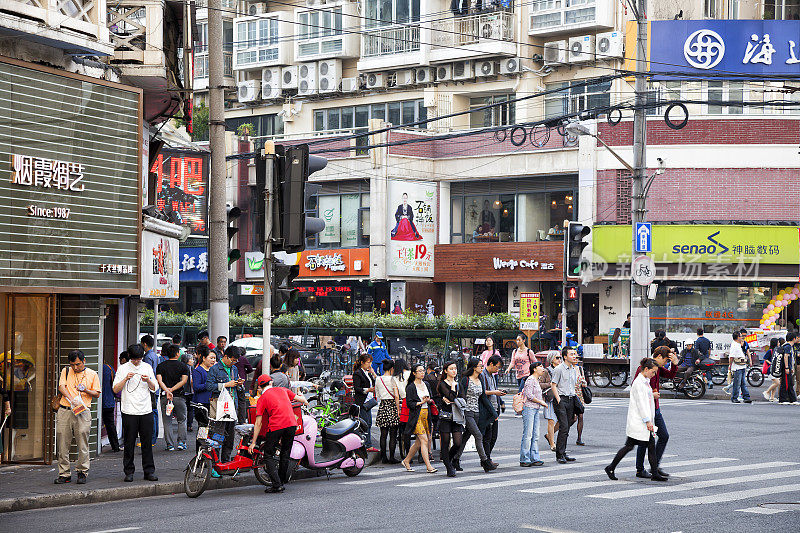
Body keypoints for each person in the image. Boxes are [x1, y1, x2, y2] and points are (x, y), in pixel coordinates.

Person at [604, 358, 667, 482]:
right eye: (653, 372)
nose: (654, 375)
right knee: (632, 446)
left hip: (641, 421)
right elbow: (641, 404)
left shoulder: (644, 381)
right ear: (646, 369)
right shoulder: (639, 383)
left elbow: (646, 400)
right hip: (639, 422)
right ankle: (611, 467)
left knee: (643, 446)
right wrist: (648, 421)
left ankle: (653, 473)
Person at [248, 374, 309, 493]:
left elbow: (258, 423)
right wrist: (301, 395)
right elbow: (304, 401)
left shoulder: (262, 398)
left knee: (268, 455)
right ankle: (281, 481)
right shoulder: (283, 390)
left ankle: (277, 484)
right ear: (271, 383)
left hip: (276, 426)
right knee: (285, 453)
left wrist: (253, 442)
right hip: (292, 424)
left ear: (260, 388)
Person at [113, 344, 158, 482]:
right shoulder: (123, 369)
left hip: (145, 410)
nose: (137, 362)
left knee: (146, 442)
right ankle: (129, 471)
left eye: (139, 359)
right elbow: (115, 389)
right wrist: (126, 378)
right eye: (134, 359)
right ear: (129, 357)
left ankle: (149, 471)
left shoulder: (147, 367)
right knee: (129, 443)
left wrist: (148, 380)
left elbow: (155, 387)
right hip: (129, 410)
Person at [55, 350, 101, 484]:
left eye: (78, 364)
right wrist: (71, 399)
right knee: (62, 442)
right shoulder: (66, 371)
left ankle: (82, 471)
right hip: (65, 409)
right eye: (72, 365)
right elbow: (61, 387)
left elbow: (97, 393)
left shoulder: (92, 374)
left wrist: (85, 390)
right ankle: (64, 473)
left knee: (83, 442)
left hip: (83, 411)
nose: (75, 367)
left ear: (84, 361)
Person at [634, 345, 679, 479]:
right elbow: (636, 389)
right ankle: (640, 469)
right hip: (645, 409)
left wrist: (675, 364)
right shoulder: (645, 367)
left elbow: (670, 375)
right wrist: (650, 395)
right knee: (644, 439)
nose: (666, 364)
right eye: (666, 361)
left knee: (663, 436)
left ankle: (655, 466)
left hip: (655, 409)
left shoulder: (658, 368)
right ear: (659, 357)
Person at [455, 358, 497, 473]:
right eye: (480, 366)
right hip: (467, 412)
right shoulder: (465, 380)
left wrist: (492, 411)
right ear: (474, 367)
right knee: (478, 436)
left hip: (477, 412)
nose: (482, 368)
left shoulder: (480, 379)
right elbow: (460, 395)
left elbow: (483, 397)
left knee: (466, 437)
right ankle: (485, 461)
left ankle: (455, 458)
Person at [206, 345, 245, 462]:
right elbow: (209, 386)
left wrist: (239, 384)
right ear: (226, 357)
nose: (234, 363)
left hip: (232, 408)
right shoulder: (215, 369)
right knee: (218, 436)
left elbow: (238, 388)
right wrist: (225, 385)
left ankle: (226, 461)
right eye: (232, 360)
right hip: (220, 409)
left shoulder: (234, 369)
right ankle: (215, 462)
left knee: (230, 438)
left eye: (235, 361)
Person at [400, 364, 437, 473]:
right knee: (424, 440)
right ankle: (428, 466)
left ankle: (406, 460)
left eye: (423, 370)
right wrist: (421, 402)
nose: (422, 372)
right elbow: (409, 403)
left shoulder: (426, 384)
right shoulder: (411, 387)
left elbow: (431, 397)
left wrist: (428, 400)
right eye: (419, 371)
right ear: (414, 373)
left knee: (419, 442)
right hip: (416, 415)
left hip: (426, 414)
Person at [156, 343, 190, 451]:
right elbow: (184, 381)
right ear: (177, 353)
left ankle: (169, 445)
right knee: (182, 420)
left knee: (167, 421)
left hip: (165, 397)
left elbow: (159, 381)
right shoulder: (183, 366)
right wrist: (173, 389)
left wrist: (167, 390)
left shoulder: (161, 366)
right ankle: (181, 443)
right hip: (179, 396)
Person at [551, 347, 580, 464]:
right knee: (563, 427)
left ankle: (563, 452)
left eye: (575, 354)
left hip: (571, 399)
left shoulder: (574, 369)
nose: (574, 356)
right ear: (565, 356)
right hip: (561, 399)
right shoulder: (558, 369)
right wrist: (558, 399)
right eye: (571, 354)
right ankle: (559, 454)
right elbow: (553, 385)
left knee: (567, 426)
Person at [436, 361, 464, 477]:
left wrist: (451, 398)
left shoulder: (459, 384)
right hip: (446, 416)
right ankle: (449, 467)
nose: (454, 371)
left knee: (458, 442)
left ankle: (451, 459)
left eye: (455, 368)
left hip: (456, 416)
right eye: (451, 369)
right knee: (445, 442)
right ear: (446, 371)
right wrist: (452, 389)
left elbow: (461, 398)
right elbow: (452, 396)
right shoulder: (443, 384)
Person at [520, 362, 547, 467]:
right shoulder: (530, 380)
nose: (542, 368)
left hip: (535, 409)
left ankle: (534, 457)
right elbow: (529, 395)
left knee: (535, 434)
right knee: (528, 434)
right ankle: (524, 458)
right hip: (529, 408)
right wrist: (541, 402)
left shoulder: (537, 380)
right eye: (540, 366)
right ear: (534, 369)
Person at [480, 355, 506, 463]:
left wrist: (501, 400)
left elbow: (493, 390)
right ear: (491, 364)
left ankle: (486, 458)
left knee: (493, 437)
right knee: (487, 437)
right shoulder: (482, 375)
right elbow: (481, 392)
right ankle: (486, 459)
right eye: (497, 367)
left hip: (494, 409)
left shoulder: (492, 376)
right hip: (487, 410)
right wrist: (495, 392)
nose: (497, 369)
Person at [375, 358, 401, 464]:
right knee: (393, 434)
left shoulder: (378, 379)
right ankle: (391, 457)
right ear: (391, 368)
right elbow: (396, 395)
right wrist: (398, 409)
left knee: (383, 434)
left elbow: (377, 395)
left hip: (383, 405)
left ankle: (383, 457)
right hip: (392, 406)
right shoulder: (393, 379)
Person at [353, 353, 379, 452]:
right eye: (368, 362)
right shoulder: (358, 373)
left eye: (370, 362)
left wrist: (372, 372)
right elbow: (357, 388)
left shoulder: (366, 372)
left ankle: (367, 443)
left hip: (368, 401)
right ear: (362, 362)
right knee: (365, 423)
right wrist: (368, 390)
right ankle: (366, 444)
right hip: (362, 401)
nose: (370, 364)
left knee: (369, 423)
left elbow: (375, 381)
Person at [191, 345, 214, 452]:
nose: (213, 360)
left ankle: (210, 454)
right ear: (204, 358)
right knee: (203, 429)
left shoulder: (214, 371)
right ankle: (200, 453)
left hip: (213, 403)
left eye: (214, 358)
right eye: (211, 358)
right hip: (201, 404)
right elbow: (196, 387)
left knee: (213, 430)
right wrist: (209, 384)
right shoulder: (198, 370)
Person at [140, 334, 161, 446]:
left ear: (145, 344)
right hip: (155, 387)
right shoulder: (155, 355)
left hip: (150, 388)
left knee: (152, 413)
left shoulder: (147, 357)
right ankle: (154, 437)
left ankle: (151, 439)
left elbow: (147, 373)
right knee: (154, 412)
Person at [102, 353, 124, 453]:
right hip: (109, 400)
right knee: (110, 425)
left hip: (97, 401)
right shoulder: (109, 368)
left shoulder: (93, 370)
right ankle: (115, 446)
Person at [541, 352, 560, 452]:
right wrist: (550, 384)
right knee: (551, 421)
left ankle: (549, 435)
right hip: (550, 399)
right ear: (552, 359)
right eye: (557, 358)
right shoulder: (546, 371)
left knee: (562, 421)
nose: (559, 359)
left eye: (560, 357)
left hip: (560, 398)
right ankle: (552, 443)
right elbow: (540, 384)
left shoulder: (562, 369)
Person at [726, 331, 752, 404]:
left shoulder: (738, 344)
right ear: (737, 337)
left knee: (743, 383)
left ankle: (746, 397)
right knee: (737, 383)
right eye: (740, 336)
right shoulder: (734, 345)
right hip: (737, 367)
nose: (742, 337)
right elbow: (731, 357)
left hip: (742, 366)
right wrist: (730, 365)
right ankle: (734, 397)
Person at [393, 358, 411, 457]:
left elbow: (396, 395)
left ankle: (407, 453)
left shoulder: (395, 377)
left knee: (405, 431)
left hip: (404, 402)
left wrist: (398, 409)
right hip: (413, 401)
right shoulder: (410, 373)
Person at [775, 333, 798, 404]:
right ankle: (783, 399)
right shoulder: (788, 346)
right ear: (793, 339)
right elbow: (786, 356)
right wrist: (787, 367)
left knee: (790, 383)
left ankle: (792, 399)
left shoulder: (787, 346)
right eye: (796, 338)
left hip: (787, 367)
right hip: (785, 368)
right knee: (785, 383)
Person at [231, 346, 252, 422]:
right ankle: (242, 420)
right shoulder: (243, 359)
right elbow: (250, 369)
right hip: (241, 382)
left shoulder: (231, 359)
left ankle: (233, 419)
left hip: (232, 382)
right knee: (242, 401)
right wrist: (244, 372)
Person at [763, 338, 780, 402]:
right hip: (770, 369)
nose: (779, 343)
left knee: (774, 384)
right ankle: (767, 392)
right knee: (777, 382)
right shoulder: (770, 351)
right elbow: (765, 358)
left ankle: (772, 397)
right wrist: (770, 362)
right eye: (778, 342)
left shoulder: (776, 350)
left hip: (775, 369)